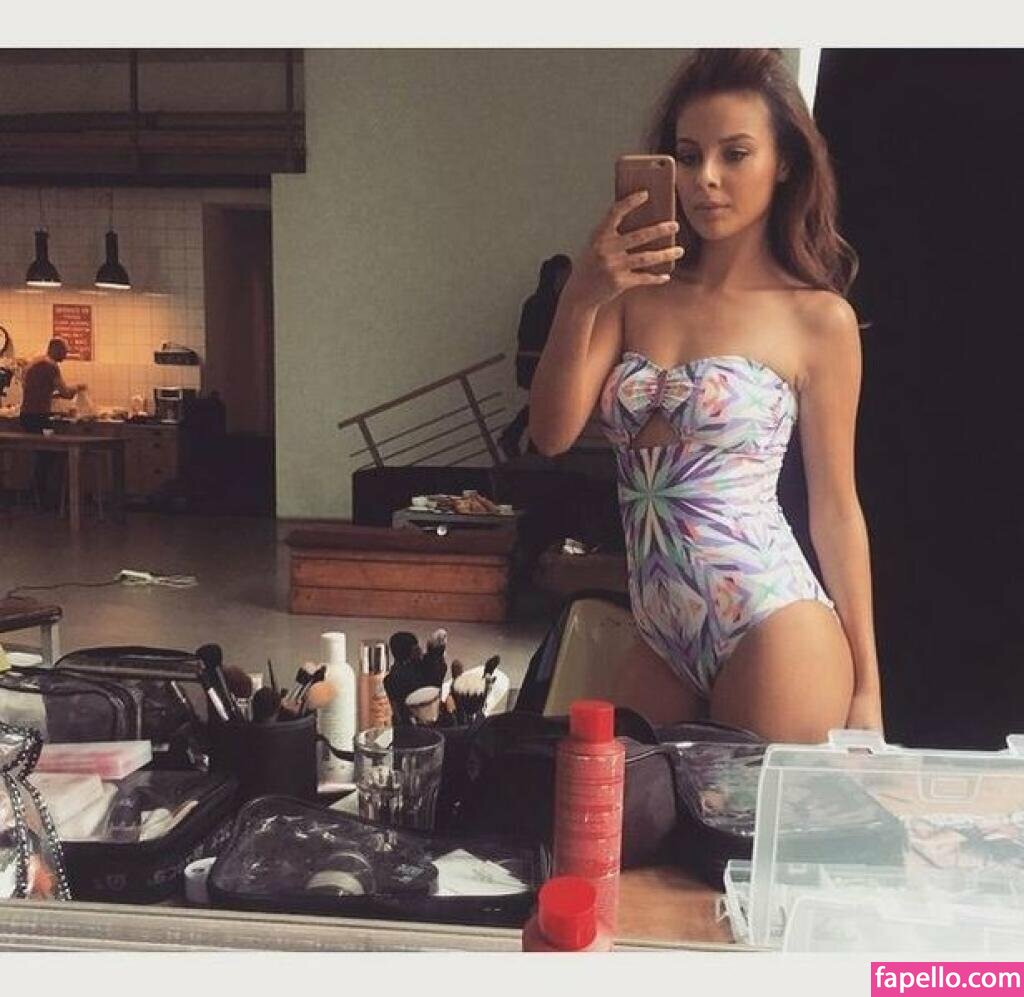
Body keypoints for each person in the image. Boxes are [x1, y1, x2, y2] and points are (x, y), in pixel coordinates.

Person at [529, 49, 881, 743]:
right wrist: (582, 296)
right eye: (688, 157)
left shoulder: (818, 320)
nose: (706, 179)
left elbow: (837, 509)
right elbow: (550, 432)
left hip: (775, 624)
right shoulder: (633, 296)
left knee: (733, 818)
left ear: (784, 163)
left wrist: (868, 687)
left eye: (735, 154)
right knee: (610, 805)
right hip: (663, 634)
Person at [498, 254, 573, 459]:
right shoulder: (552, 304)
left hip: (530, 362)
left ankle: (524, 442)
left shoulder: (534, 302)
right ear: (559, 275)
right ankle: (522, 441)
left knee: (542, 405)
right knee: (545, 405)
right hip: (540, 362)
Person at [19, 337, 86, 507]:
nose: (65, 355)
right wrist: (78, 387)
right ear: (55, 349)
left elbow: (33, 388)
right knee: (51, 452)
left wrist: (49, 395)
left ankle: (37, 494)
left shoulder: (34, 362)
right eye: (64, 352)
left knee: (43, 453)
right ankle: (42, 495)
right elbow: (65, 392)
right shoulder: (50, 365)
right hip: (39, 417)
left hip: (26, 415)